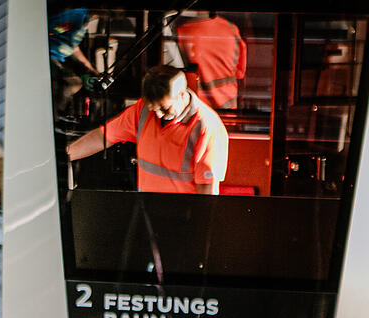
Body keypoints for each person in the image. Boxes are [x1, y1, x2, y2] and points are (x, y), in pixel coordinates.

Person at [67, 65, 229, 194]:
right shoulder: (142, 110)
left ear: (181, 95)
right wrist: (65, 155)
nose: (158, 114)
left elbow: (207, 190)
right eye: (153, 108)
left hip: (183, 216)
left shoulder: (207, 127)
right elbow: (103, 136)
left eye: (164, 109)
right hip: (147, 208)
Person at [176, 12, 246, 109]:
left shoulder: (181, 33)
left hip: (198, 111)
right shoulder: (232, 29)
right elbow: (240, 72)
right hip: (229, 110)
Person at [49, 8, 100, 114]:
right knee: (71, 83)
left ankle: (59, 113)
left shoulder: (84, 19)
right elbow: (49, 30)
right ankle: (56, 114)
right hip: (50, 55)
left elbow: (74, 48)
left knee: (75, 82)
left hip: (58, 58)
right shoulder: (76, 15)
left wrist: (92, 69)